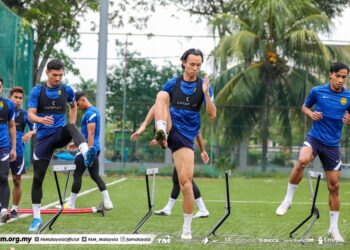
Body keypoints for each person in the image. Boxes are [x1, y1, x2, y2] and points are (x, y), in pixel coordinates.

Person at [276, 62, 350, 242]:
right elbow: (304, 107)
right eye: (338, 76)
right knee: (302, 160)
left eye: (344, 77)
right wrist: (311, 114)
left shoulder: (348, 96)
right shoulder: (318, 91)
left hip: (332, 145)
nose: (341, 80)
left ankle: (333, 229)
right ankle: (288, 199)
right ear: (330, 75)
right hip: (315, 138)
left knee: (334, 186)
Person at [153, 48, 216, 239]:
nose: (195, 68)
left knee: (185, 183)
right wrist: (144, 127)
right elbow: (157, 105)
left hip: (187, 138)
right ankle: (162, 132)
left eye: (198, 65)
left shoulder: (204, 86)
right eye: (192, 64)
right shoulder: (173, 83)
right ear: (183, 63)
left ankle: (186, 230)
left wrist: (205, 94)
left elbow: (212, 115)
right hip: (172, 127)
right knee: (162, 95)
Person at [27, 59, 97, 232]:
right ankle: (36, 218)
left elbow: (73, 107)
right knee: (38, 178)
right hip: (43, 139)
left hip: (59, 134)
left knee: (70, 126)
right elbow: (30, 114)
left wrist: (72, 125)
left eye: (60, 75)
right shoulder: (38, 91)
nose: (57, 78)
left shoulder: (66, 90)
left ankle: (86, 152)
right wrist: (40, 119)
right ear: (47, 73)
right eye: (54, 75)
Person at [131, 106, 210, 219]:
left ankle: (202, 209)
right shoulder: (166, 113)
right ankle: (169, 208)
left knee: (186, 180)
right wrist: (144, 127)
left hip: (184, 149)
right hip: (179, 149)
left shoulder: (183, 114)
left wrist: (203, 150)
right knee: (177, 179)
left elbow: (197, 133)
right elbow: (155, 109)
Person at [65, 91, 113, 210]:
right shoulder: (94, 111)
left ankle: (71, 204)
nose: (78, 107)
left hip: (87, 150)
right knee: (95, 175)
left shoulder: (90, 113)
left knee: (77, 175)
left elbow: (91, 133)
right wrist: (74, 143)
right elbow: (86, 134)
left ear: (82, 100)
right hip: (92, 149)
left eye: (77, 104)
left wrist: (88, 152)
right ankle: (107, 202)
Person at [8, 86, 36, 218]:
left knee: (17, 181)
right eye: (15, 97)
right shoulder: (3, 111)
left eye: (20, 98)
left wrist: (30, 132)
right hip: (2, 150)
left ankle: (14, 209)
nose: (18, 100)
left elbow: (37, 128)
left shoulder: (25, 115)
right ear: (10, 98)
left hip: (18, 152)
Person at [0, 77, 16, 223]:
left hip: (3, 146)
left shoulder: (8, 105)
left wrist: (14, 148)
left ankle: (4, 210)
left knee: (3, 177)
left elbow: (12, 126)